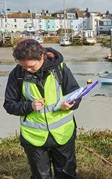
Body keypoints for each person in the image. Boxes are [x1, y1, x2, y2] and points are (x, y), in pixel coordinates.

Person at [3, 39, 81, 178]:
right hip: (34, 138)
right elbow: (9, 105)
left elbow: (76, 93)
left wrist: (72, 103)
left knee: (67, 175)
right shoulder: (17, 74)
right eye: (23, 66)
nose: (27, 70)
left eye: (31, 67)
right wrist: (29, 106)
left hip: (63, 134)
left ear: (41, 57)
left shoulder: (60, 68)